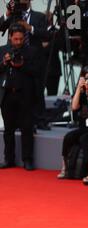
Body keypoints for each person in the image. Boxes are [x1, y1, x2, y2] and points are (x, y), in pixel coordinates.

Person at [0, 23, 39, 170]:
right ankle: (8, 159)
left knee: (26, 128)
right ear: (10, 37)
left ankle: (27, 159)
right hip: (7, 94)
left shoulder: (32, 52)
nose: (18, 42)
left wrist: (21, 65)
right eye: (15, 39)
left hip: (25, 94)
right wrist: (4, 62)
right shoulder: (2, 51)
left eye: (21, 39)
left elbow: (37, 71)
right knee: (8, 130)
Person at [57, 65, 88, 179]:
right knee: (68, 137)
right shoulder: (81, 91)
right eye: (87, 78)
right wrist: (79, 88)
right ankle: (65, 167)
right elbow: (74, 107)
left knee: (85, 138)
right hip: (84, 127)